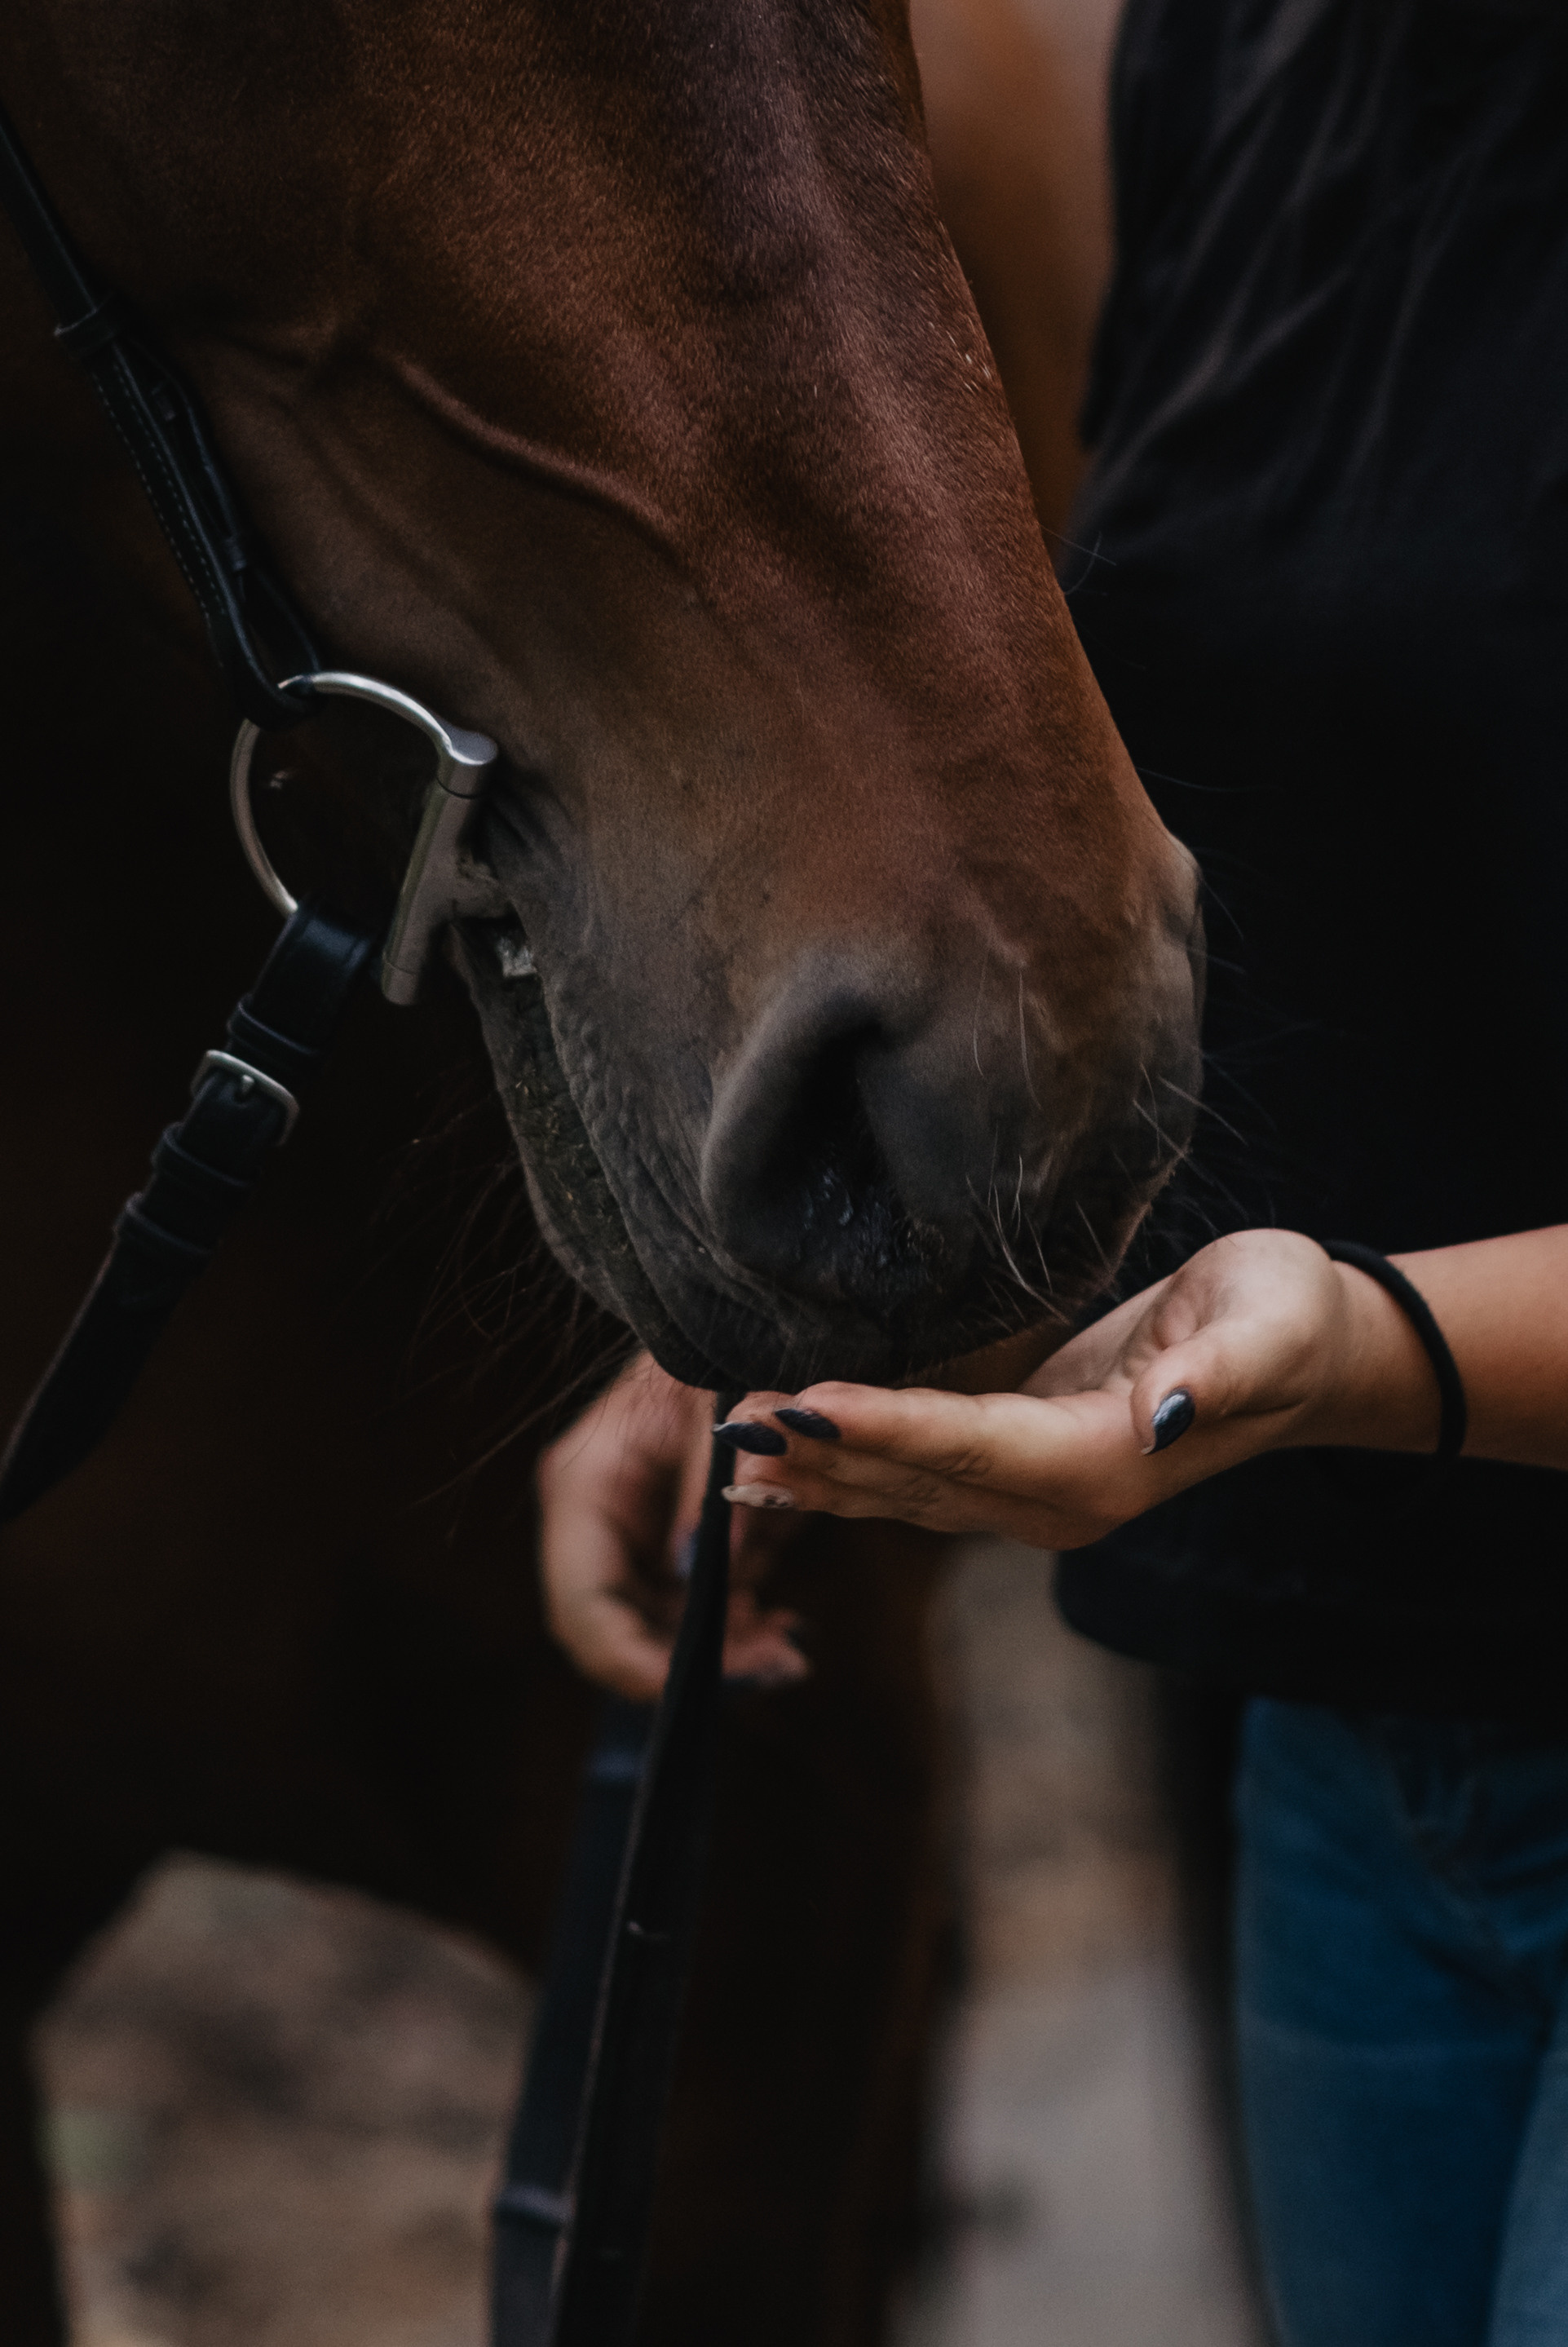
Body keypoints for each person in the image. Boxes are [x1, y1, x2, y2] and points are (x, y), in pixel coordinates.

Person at [539, 2, 1568, 2340]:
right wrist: (781, 1319)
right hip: (1355, 1759)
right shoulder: (1246, 54)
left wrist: (1362, 1347)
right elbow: (1304, 894)